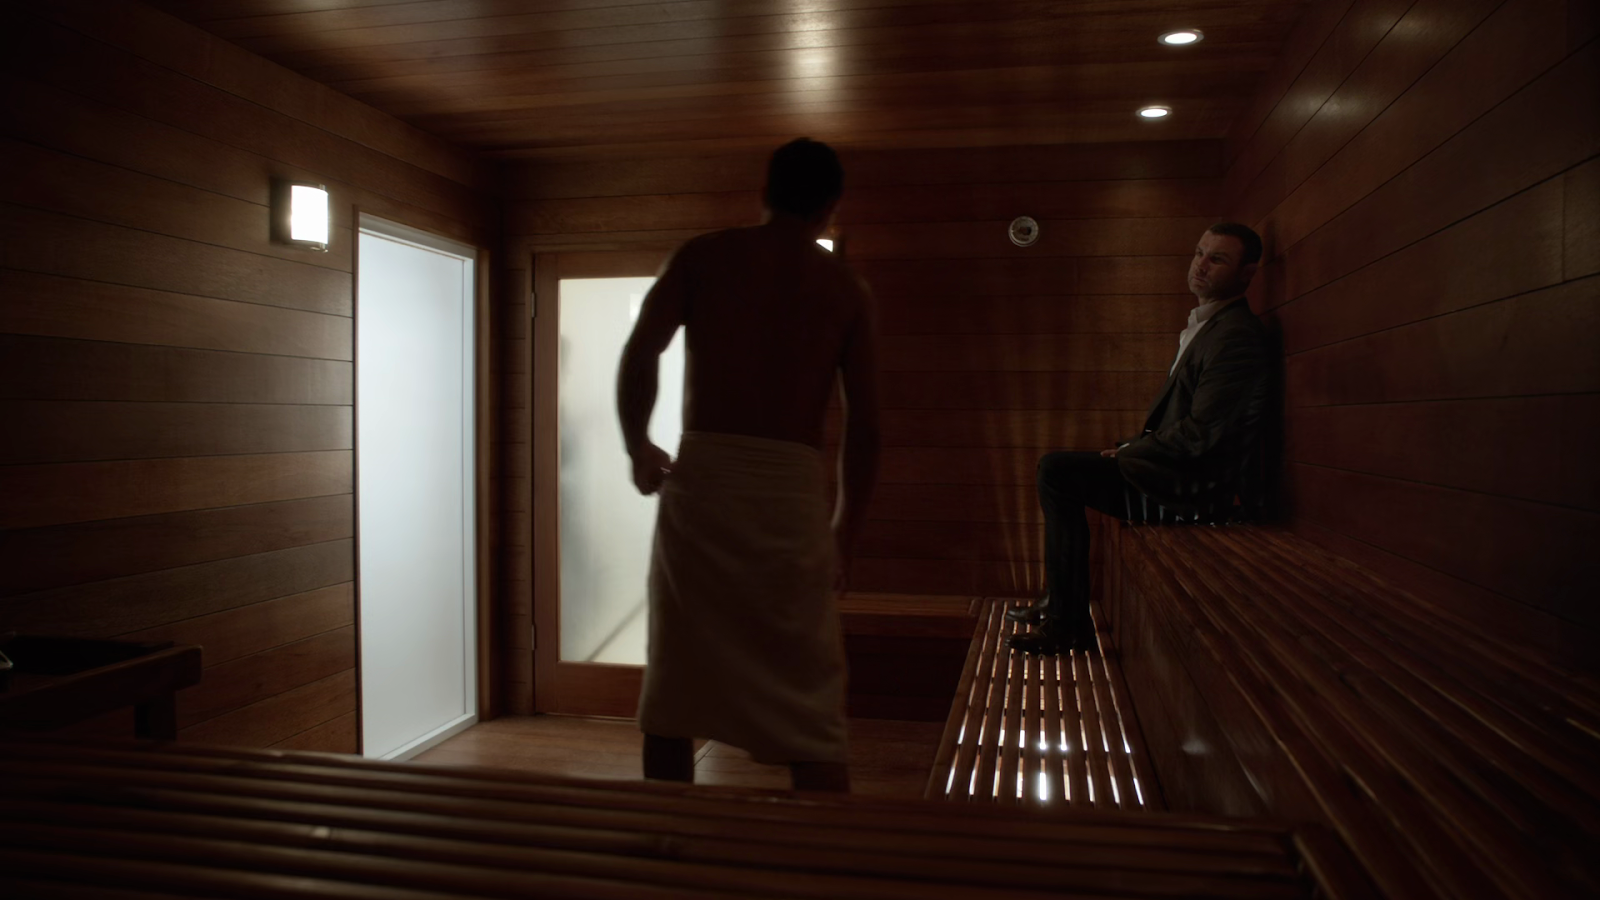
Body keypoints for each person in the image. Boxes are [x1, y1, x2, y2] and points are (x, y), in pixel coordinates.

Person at [617, 138, 881, 792]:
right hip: (790, 497)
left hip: (706, 486)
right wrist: (844, 532)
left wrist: (638, 444)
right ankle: (820, 850)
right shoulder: (845, 289)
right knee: (809, 700)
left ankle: (668, 837)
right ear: (829, 205)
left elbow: (642, 350)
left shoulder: (704, 257)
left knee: (675, 689)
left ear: (766, 193)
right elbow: (867, 424)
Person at [1007, 223, 1271, 655]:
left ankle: (1066, 622)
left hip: (1199, 492)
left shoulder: (1236, 336)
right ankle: (1061, 605)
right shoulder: (1210, 326)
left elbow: (1205, 432)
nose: (1201, 265)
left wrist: (1132, 450)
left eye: (1217, 259)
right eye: (1199, 253)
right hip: (1180, 474)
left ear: (1247, 273)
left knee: (1057, 472)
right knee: (1062, 469)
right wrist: (1129, 447)